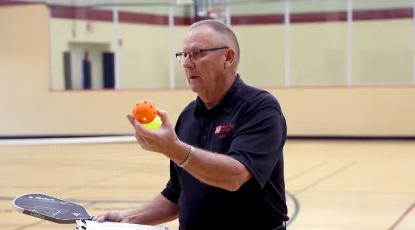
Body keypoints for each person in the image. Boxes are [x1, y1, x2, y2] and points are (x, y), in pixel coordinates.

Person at [97, 19, 289, 230]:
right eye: (184, 55)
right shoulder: (188, 116)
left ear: (228, 57)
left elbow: (235, 176)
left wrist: (175, 150)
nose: (187, 63)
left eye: (197, 53)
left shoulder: (260, 108)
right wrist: (128, 219)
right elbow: (177, 194)